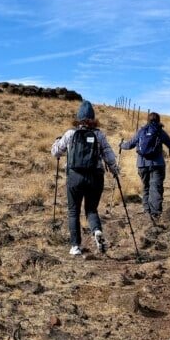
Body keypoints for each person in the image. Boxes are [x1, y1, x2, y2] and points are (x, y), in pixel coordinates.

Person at [51, 101, 120, 257]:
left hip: (74, 177)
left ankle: (75, 246)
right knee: (91, 209)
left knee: (73, 211)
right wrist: (115, 170)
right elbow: (108, 154)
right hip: (95, 177)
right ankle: (96, 231)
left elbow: (55, 152)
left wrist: (57, 141)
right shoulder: (99, 134)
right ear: (93, 118)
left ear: (78, 118)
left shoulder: (70, 134)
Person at [120, 112, 170, 225]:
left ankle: (147, 211)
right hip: (157, 164)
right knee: (156, 189)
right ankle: (155, 214)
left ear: (147, 120)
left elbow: (129, 145)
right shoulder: (160, 131)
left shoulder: (141, 131)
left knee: (146, 187)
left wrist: (121, 145)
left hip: (142, 165)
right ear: (158, 120)